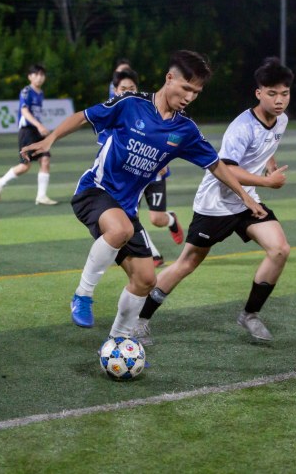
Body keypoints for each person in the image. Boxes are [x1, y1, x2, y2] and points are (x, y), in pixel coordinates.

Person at [21, 50, 267, 342]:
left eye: (196, 92)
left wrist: (245, 197)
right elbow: (84, 116)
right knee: (120, 229)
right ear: (169, 78)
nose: (190, 97)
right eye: (185, 88)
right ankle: (82, 295)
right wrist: (49, 139)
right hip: (95, 191)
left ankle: (119, 342)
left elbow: (216, 165)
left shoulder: (185, 130)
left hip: (126, 208)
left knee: (146, 279)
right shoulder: (130, 104)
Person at [133, 57, 293, 345]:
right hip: (216, 202)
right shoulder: (241, 127)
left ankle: (250, 314)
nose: (279, 100)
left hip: (247, 201)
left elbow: (268, 144)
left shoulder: (281, 120)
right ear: (259, 93)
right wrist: (268, 182)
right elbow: (227, 169)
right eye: (272, 94)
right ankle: (140, 320)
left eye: (284, 93)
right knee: (187, 263)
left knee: (280, 249)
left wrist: (270, 164)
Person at [108, 68, 184, 267]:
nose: (127, 92)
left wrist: (164, 160)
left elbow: (170, 137)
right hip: (130, 177)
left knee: (157, 219)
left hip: (154, 175)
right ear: (115, 91)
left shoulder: (150, 107)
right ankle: (154, 255)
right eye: (123, 89)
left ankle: (171, 220)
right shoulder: (111, 114)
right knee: (129, 217)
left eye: (131, 88)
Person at [0, 64, 57, 205]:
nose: (39, 77)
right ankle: (1, 182)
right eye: (36, 74)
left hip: (36, 132)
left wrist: (40, 128)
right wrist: (39, 125)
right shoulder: (26, 91)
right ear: (30, 77)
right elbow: (24, 112)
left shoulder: (40, 93)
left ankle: (41, 196)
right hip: (27, 131)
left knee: (45, 160)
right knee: (25, 166)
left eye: (42, 75)